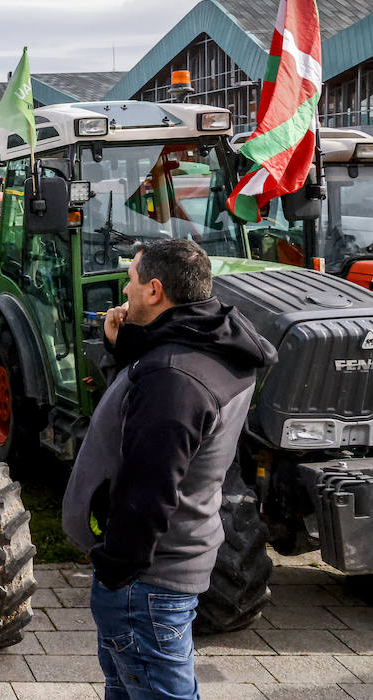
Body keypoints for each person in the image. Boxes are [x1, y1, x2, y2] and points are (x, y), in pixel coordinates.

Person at [63, 239, 275, 700]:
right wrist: (125, 346)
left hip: (146, 582)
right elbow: (147, 407)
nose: (125, 289)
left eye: (132, 280)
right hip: (165, 571)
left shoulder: (173, 379)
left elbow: (150, 487)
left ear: (155, 290)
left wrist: (116, 569)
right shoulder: (213, 345)